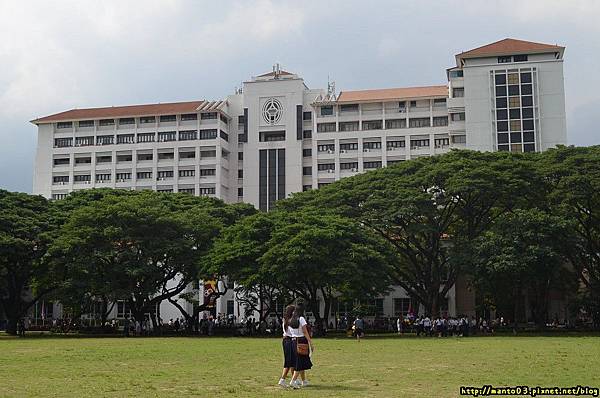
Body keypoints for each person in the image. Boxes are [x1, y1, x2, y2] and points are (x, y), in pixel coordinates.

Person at [289, 303, 314, 389]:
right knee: (300, 362)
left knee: (300, 361)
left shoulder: (291, 319)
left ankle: (304, 381)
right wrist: (310, 342)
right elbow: (305, 331)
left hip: (293, 341)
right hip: (301, 341)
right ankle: (293, 381)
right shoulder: (301, 319)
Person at [277, 305, 296, 388]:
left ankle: (293, 379)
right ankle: (282, 379)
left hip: (285, 340)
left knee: (291, 361)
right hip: (289, 340)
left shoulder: (285, 319)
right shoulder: (291, 321)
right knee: (289, 361)